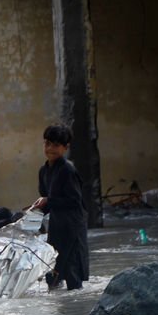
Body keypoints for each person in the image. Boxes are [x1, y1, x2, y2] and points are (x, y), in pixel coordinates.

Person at [32, 124, 89, 290]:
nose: (50, 149)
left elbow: (73, 200)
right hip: (57, 225)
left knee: (72, 273)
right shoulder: (44, 171)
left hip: (73, 226)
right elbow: (46, 200)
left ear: (65, 148)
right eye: (47, 144)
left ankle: (75, 313)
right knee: (53, 271)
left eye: (56, 145)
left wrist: (47, 201)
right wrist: (35, 211)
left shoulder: (68, 170)